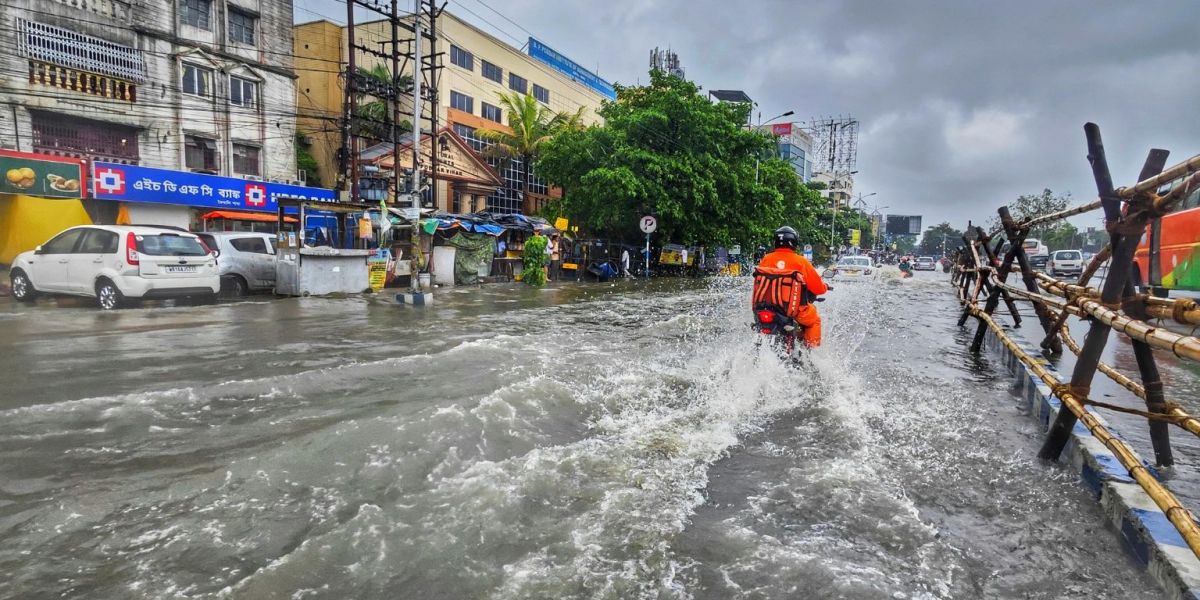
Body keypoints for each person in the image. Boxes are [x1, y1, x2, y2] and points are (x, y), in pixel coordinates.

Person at [754, 226, 830, 347]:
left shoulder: (766, 259)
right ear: (794, 242)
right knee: (814, 321)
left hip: (764, 308)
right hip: (791, 311)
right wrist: (825, 287)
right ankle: (811, 353)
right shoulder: (801, 261)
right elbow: (818, 289)